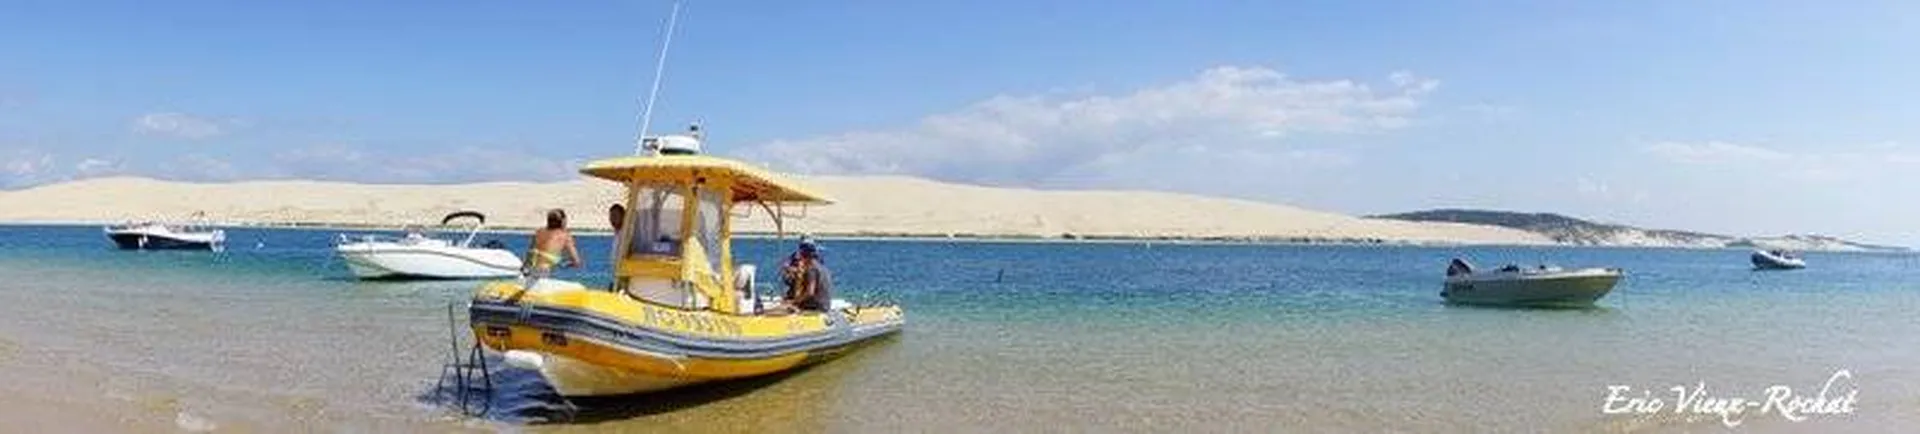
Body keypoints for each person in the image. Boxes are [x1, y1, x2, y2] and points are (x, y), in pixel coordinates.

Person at [777, 239, 832, 313]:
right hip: (825, 305)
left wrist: (794, 301)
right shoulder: (821, 266)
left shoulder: (811, 268)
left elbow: (810, 292)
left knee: (786, 308)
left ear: (802, 254)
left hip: (817, 307)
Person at [525, 208, 582, 276]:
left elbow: (530, 253)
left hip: (529, 268)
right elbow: (577, 262)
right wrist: (565, 265)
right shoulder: (565, 236)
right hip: (544, 270)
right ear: (562, 221)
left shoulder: (539, 232)